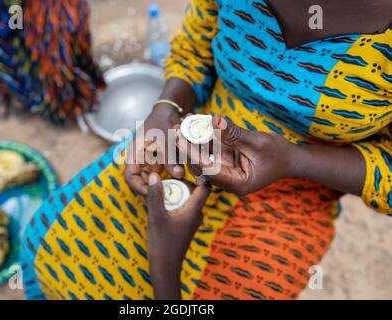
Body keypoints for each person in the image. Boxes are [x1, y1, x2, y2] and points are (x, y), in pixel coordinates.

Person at [21, 0, 392, 300]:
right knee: (45, 246)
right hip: (184, 152)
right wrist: (166, 108)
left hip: (295, 196)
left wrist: (293, 160)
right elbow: (196, 46)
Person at [0, 0, 105, 125]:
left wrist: (15, 19)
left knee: (50, 43)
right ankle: (10, 87)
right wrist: (15, 21)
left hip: (18, 11)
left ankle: (46, 93)